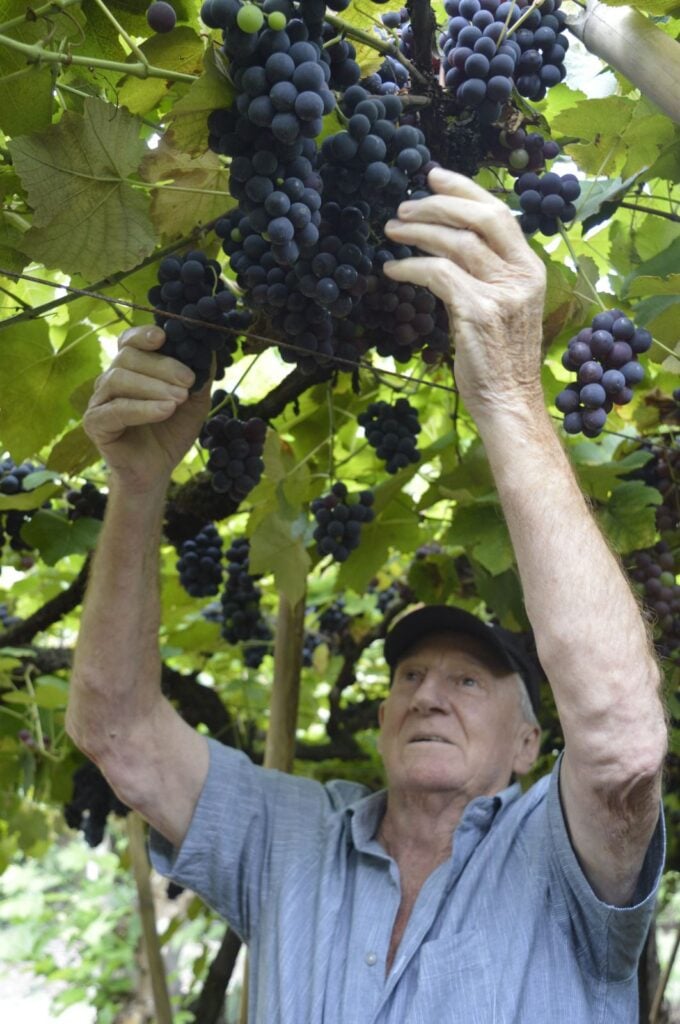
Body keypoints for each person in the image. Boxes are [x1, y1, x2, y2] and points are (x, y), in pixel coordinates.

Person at [67, 169, 667, 1022]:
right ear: (381, 718)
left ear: (529, 742)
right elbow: (115, 732)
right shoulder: (286, 838)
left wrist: (507, 397)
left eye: (466, 681)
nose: (426, 692)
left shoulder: (565, 862)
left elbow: (623, 746)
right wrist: (135, 486)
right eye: (410, 677)